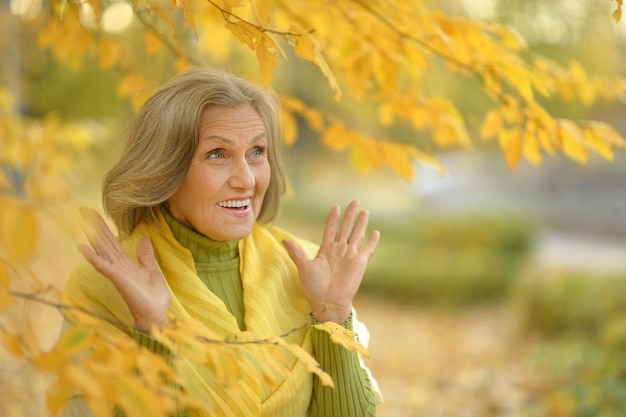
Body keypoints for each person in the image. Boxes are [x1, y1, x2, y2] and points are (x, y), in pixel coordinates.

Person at [61, 67, 383, 417]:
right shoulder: (107, 283)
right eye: (218, 154)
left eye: (257, 152)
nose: (246, 179)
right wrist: (153, 331)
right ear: (166, 169)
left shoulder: (307, 269)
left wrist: (333, 313)